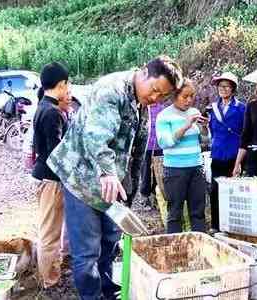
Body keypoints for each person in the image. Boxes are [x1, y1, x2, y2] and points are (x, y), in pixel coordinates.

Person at [47, 56, 183, 300]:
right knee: (88, 252)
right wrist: (108, 173)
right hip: (82, 181)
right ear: (143, 72)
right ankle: (91, 296)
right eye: (154, 91)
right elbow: (96, 136)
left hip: (112, 186)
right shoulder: (111, 90)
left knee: (110, 243)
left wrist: (130, 192)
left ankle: (109, 293)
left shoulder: (143, 104)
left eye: (162, 96)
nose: (155, 99)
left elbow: (137, 150)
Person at [32, 62, 71, 290]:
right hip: (50, 180)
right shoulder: (52, 112)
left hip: (45, 177)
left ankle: (51, 275)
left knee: (51, 230)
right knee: (50, 234)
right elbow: (56, 153)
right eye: (67, 84)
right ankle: (49, 281)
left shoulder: (44, 107)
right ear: (61, 84)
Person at [156, 79, 209, 233]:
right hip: (175, 170)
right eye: (185, 96)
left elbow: (205, 140)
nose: (189, 100)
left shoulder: (194, 112)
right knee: (175, 212)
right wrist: (186, 125)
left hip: (196, 168)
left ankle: (199, 245)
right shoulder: (164, 116)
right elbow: (164, 142)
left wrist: (205, 128)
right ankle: (175, 247)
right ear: (174, 95)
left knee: (198, 212)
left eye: (191, 96)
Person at [207, 72, 246, 232]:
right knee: (215, 191)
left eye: (226, 86)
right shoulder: (212, 108)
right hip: (217, 155)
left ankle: (235, 226)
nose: (222, 89)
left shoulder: (242, 108)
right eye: (220, 86)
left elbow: (246, 132)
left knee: (235, 192)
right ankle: (216, 225)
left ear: (233, 89)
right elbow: (211, 131)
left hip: (234, 155)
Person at [138, 102, 166, 209]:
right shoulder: (144, 108)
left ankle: (156, 196)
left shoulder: (162, 108)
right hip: (146, 146)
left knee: (158, 172)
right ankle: (145, 197)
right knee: (145, 172)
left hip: (160, 146)